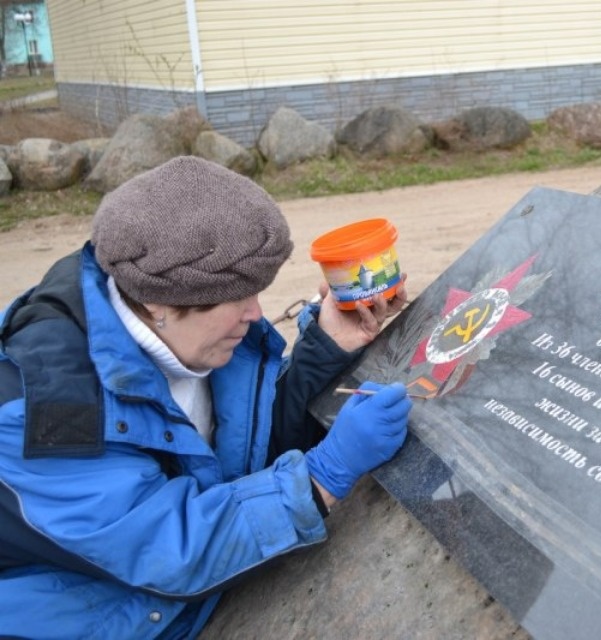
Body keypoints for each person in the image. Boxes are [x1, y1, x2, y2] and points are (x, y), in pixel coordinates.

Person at [0, 156, 412, 639]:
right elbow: (171, 550)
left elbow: (245, 453)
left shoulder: (189, 331)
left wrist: (327, 348)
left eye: (256, 292)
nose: (255, 314)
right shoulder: (44, 412)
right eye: (237, 298)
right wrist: (321, 477)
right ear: (159, 303)